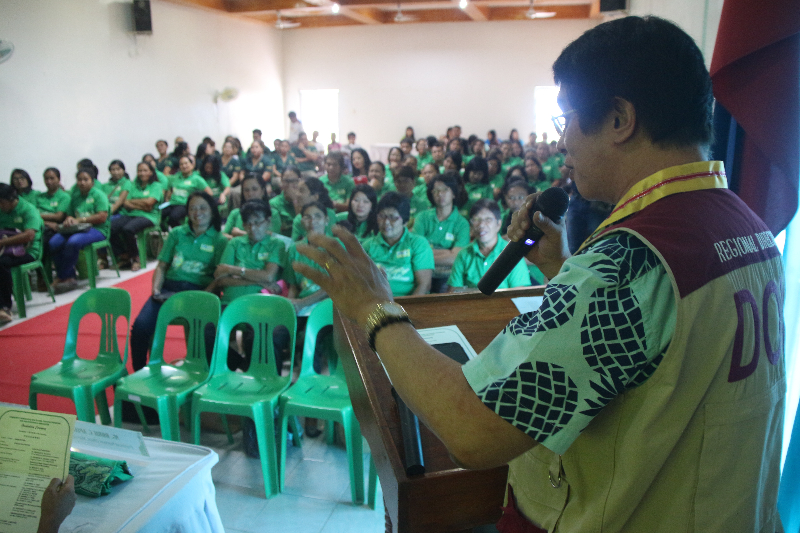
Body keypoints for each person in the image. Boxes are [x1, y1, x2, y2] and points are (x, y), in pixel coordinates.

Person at [290, 16, 784, 532]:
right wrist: (565, 270)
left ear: (620, 119)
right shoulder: (748, 228)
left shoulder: (628, 261)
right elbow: (662, 377)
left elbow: (472, 428)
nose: (563, 140)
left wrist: (375, 307)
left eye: (567, 116)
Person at [130, 191, 226, 371]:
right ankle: (139, 373)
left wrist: (206, 294)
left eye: (203, 208)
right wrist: (156, 291)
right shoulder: (176, 234)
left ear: (213, 211)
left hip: (200, 291)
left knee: (206, 332)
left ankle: (206, 375)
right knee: (140, 328)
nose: (197, 212)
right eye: (192, 208)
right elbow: (161, 266)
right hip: (169, 289)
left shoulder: (220, 240)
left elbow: (219, 277)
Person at [448, 199, 530, 292]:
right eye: (476, 220)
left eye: (488, 220)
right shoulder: (464, 254)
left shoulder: (513, 253)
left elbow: (518, 293)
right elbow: (453, 291)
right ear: (471, 225)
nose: (481, 225)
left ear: (499, 224)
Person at [49, 167, 110, 293]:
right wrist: (70, 219)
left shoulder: (99, 195)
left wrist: (80, 220)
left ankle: (62, 276)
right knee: (54, 242)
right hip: (77, 228)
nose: (82, 182)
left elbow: (102, 217)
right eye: (79, 180)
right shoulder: (75, 196)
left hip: (97, 229)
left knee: (73, 242)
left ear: (92, 181)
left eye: (85, 180)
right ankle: (69, 276)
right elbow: (70, 215)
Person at [361, 192, 433, 296]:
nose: (386, 222)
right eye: (382, 216)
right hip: (375, 305)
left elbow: (424, 285)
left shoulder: (418, 244)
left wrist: (406, 311)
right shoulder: (368, 246)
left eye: (392, 217)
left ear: (405, 221)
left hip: (409, 305)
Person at [412, 173, 470, 293]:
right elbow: (415, 252)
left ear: (453, 193)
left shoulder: (462, 223)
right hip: (420, 271)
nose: (440, 194)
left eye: (445, 190)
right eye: (436, 191)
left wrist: (425, 256)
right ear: (431, 194)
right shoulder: (422, 218)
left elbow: (456, 258)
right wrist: (447, 252)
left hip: (446, 276)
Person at [0, 183, 43, 324]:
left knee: (2, 263)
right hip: (5, 250)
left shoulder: (28, 210)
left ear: (11, 199)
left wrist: (2, 243)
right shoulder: (2, 210)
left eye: (1, 202)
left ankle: (5, 306)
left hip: (28, 251)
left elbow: (29, 236)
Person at [111, 161, 163, 271]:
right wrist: (143, 205)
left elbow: (150, 203)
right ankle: (124, 256)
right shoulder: (134, 185)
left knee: (128, 229)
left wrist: (135, 203)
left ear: (151, 172)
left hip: (150, 216)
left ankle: (136, 258)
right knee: (110, 227)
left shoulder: (156, 185)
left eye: (145, 170)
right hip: (132, 214)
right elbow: (125, 202)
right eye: (140, 171)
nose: (142, 173)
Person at [35, 168, 71, 277]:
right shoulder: (39, 197)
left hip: (57, 229)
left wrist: (39, 216)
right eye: (46, 178)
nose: (49, 181)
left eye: (52, 178)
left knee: (44, 242)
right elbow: (32, 216)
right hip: (41, 227)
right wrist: (46, 222)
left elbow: (58, 217)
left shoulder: (64, 196)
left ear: (59, 179)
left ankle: (45, 276)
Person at [290, 177, 337, 241]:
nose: (297, 194)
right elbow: (295, 245)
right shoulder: (298, 220)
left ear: (315, 197)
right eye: (297, 190)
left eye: (301, 191)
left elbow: (331, 241)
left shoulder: (329, 214)